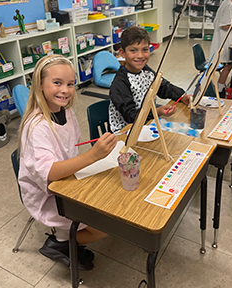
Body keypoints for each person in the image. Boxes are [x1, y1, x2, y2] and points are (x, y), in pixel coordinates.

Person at [18, 54, 116, 271]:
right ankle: (61, 242)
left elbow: (70, 151)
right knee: (105, 226)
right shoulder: (37, 126)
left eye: (70, 84)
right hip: (47, 192)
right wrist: (92, 156)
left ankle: (67, 238)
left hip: (68, 180)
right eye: (57, 83)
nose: (65, 90)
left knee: (111, 201)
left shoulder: (67, 112)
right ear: (40, 84)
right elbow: (50, 172)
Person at [108, 26, 192, 132]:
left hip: (146, 123)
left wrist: (182, 96)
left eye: (145, 50)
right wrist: (156, 111)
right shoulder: (119, 83)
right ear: (122, 53)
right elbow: (131, 116)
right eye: (133, 50)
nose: (140, 56)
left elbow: (163, 86)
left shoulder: (146, 70)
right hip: (125, 131)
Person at [210, 0, 232, 95]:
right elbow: (225, 25)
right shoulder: (228, 5)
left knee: (229, 65)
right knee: (228, 65)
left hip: (223, 39)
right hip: (223, 41)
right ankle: (220, 90)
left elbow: (226, 24)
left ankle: (220, 88)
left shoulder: (226, 3)